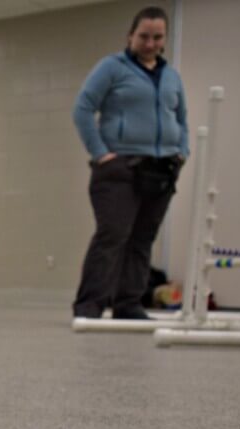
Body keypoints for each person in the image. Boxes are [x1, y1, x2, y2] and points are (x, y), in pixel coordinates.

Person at [71, 6, 190, 319]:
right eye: (144, 36)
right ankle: (89, 306)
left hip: (161, 168)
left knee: (142, 240)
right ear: (130, 36)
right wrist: (101, 154)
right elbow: (82, 108)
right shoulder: (112, 67)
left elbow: (182, 119)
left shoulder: (172, 76)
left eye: (157, 37)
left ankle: (128, 304)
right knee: (113, 235)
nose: (150, 43)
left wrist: (182, 152)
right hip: (119, 167)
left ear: (164, 39)